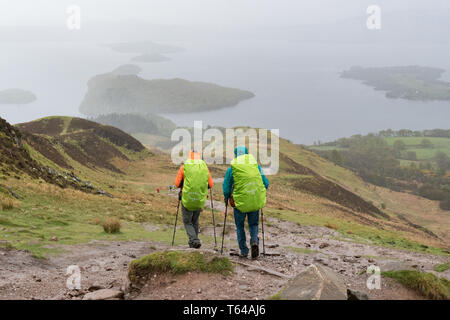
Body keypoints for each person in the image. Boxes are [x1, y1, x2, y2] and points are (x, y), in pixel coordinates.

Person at [223, 146, 269, 259]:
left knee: (240, 226)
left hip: (240, 203)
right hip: (254, 200)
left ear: (235, 155)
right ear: (247, 154)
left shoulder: (232, 169)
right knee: (253, 224)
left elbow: (226, 188)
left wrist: (227, 198)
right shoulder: (256, 166)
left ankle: (244, 251)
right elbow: (266, 183)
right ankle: (254, 241)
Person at [174, 150, 214, 248]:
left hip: (187, 198)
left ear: (189, 157)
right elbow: (210, 184)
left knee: (187, 221)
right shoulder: (204, 168)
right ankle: (193, 243)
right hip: (199, 199)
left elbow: (177, 184)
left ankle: (194, 240)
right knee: (195, 221)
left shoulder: (184, 167)